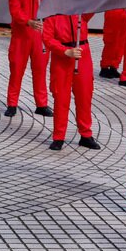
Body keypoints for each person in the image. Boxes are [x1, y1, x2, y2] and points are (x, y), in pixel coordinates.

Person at [42, 13, 99, 150]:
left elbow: (93, 5)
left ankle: (86, 135)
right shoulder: (52, 13)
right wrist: (65, 51)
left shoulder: (81, 9)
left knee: (84, 95)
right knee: (61, 97)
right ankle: (59, 136)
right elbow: (47, 38)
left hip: (82, 53)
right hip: (62, 58)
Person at [6, 0, 52, 116]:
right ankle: (12, 103)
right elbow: (14, 8)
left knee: (40, 69)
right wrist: (27, 21)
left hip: (41, 31)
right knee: (17, 68)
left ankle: (41, 104)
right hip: (22, 34)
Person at [98, 8, 126, 80]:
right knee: (111, 41)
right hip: (112, 10)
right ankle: (104, 67)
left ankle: (113, 66)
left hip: (122, 11)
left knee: (120, 42)